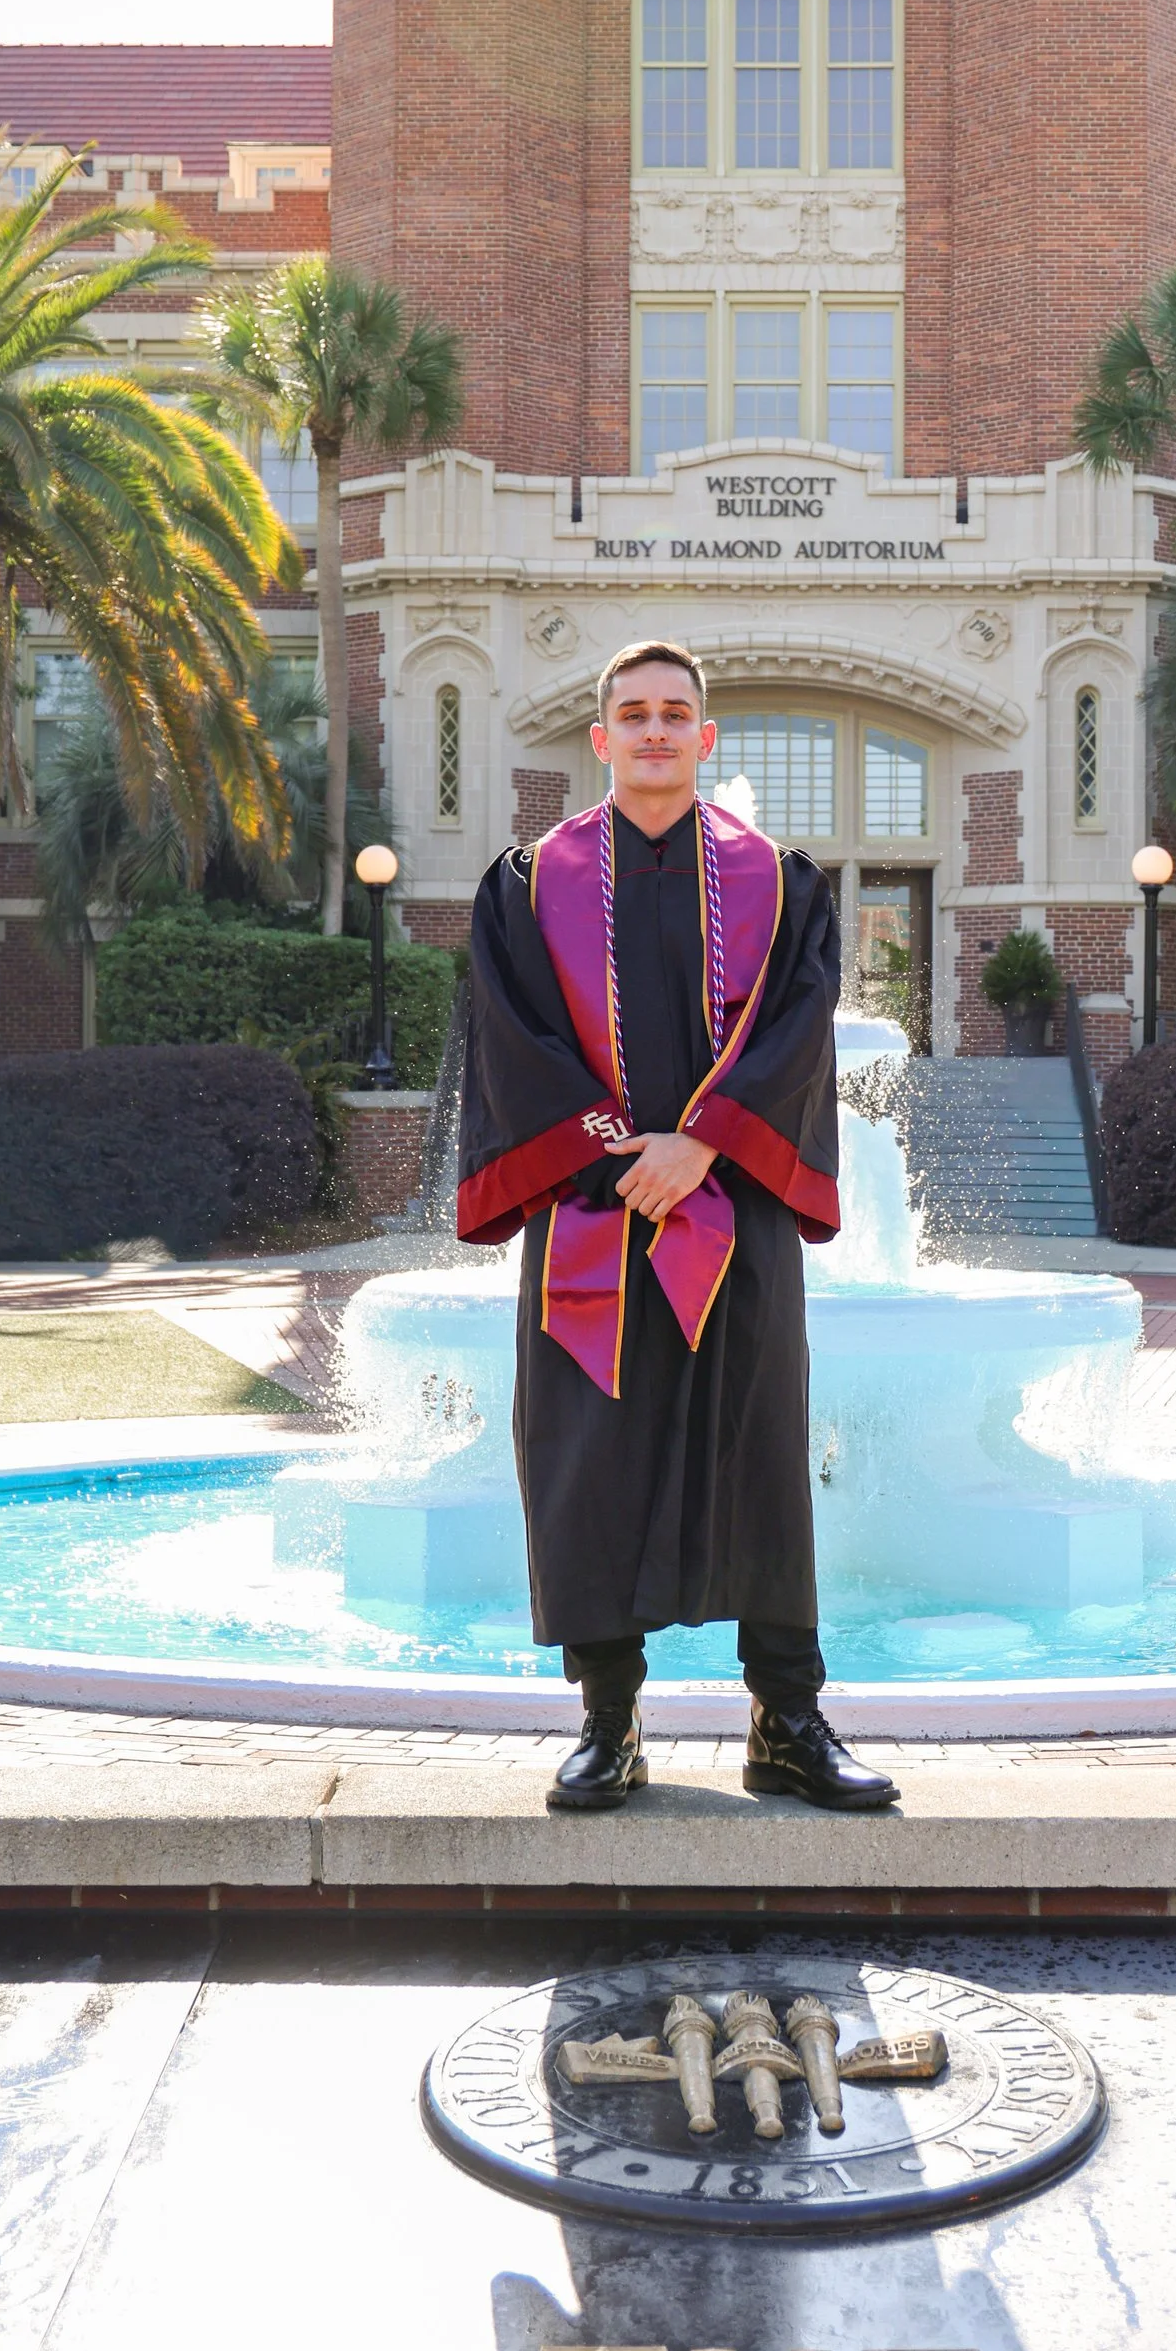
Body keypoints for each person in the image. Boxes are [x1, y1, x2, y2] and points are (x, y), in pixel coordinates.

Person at [456, 640, 896, 1815]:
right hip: (591, 1212)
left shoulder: (782, 881)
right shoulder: (528, 881)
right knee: (587, 1459)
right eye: (633, 714)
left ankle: (788, 1719)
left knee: (758, 1450)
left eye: (676, 714)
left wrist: (700, 1143)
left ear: (707, 740)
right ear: (599, 738)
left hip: (731, 1208)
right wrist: (619, 1149)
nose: (655, 731)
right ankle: (609, 1722)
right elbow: (514, 1040)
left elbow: (798, 1030)